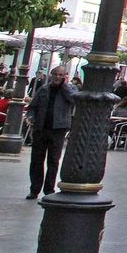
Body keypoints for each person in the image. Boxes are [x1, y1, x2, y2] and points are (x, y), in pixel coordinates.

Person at [25, 66, 77, 200]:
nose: (57, 77)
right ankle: (34, 189)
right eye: (55, 74)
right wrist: (31, 117)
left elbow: (73, 101)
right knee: (37, 160)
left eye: (61, 75)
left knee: (53, 161)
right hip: (41, 128)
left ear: (65, 76)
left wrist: (63, 86)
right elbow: (33, 107)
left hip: (58, 130)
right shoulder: (44, 89)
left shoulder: (70, 89)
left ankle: (49, 190)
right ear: (51, 74)